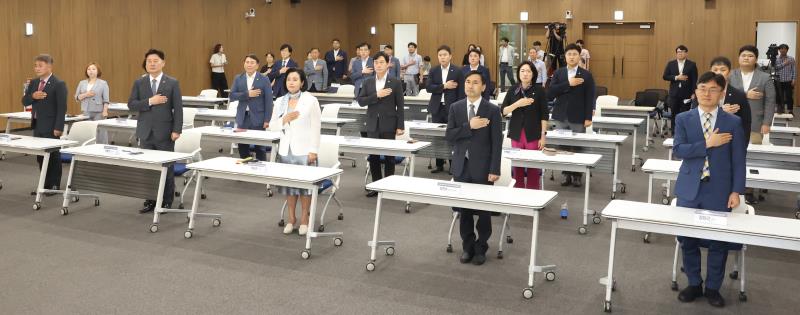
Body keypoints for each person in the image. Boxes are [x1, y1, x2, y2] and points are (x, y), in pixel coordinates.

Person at [673, 71, 746, 308]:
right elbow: (679, 150)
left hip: (719, 190)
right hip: (689, 189)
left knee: (718, 242)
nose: (706, 93)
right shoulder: (684, 118)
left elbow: (739, 161)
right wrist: (707, 144)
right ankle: (694, 283)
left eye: (713, 89)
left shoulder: (733, 122)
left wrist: (736, 191)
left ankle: (713, 288)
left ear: (722, 93)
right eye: (702, 88)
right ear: (695, 91)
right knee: (688, 240)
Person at [445, 70, 503, 266]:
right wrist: (469, 125)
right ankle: (467, 246)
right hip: (462, 166)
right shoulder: (455, 107)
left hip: (484, 167)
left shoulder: (492, 110)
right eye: (468, 82)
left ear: (484, 87)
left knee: (483, 211)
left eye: (475, 82)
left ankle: (481, 247)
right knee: (465, 210)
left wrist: (495, 169)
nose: (470, 85)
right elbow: (450, 136)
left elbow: (497, 143)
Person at [127, 49, 183, 213]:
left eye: (155, 60)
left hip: (165, 132)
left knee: (166, 167)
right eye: (149, 61)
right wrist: (151, 101)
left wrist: (176, 129)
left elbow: (178, 109)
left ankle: (166, 201)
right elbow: (132, 105)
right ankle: (150, 200)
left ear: (163, 63)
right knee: (148, 169)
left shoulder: (172, 82)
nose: (151, 63)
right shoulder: (139, 82)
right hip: (145, 132)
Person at [269, 69, 321, 236]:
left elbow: (316, 127)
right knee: (289, 187)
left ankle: (305, 219)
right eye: (289, 79)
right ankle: (291, 219)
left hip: (304, 150)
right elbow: (272, 126)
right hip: (286, 150)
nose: (291, 82)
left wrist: (314, 150)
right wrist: (284, 119)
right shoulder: (280, 101)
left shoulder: (311, 100)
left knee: (305, 188)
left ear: (302, 82)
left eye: (295, 79)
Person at [357, 52, 405, 197]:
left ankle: (388, 187)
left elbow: (400, 106)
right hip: (372, 123)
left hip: (389, 123)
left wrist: (400, 126)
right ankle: (376, 186)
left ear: (387, 63)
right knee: (374, 157)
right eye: (376, 62)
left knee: (390, 157)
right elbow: (361, 101)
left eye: (381, 62)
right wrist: (376, 95)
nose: (378, 65)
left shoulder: (395, 82)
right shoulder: (367, 82)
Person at [548, 43, 595, 187]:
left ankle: (577, 175)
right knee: (563, 146)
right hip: (561, 116)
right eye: (569, 54)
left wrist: (588, 117)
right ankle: (566, 174)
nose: (572, 57)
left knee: (578, 146)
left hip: (578, 116)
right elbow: (551, 92)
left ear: (579, 56)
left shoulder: (586, 74)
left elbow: (590, 97)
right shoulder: (558, 73)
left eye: (575, 54)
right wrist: (568, 83)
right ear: (565, 56)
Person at [21, 54, 66, 193]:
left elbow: (61, 107)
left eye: (40, 66)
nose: (37, 68)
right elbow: (25, 101)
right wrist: (32, 96)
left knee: (53, 156)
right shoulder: (34, 83)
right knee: (40, 156)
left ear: (49, 66)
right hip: (38, 125)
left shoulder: (58, 84)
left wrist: (59, 127)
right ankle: (44, 185)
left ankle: (54, 185)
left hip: (52, 126)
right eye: (35, 65)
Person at [502, 61, 548, 189]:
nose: (525, 74)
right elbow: (504, 111)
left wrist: (543, 136)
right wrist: (518, 104)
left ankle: (533, 196)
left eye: (528, 71)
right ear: (518, 73)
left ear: (533, 74)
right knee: (517, 167)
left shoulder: (539, 90)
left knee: (533, 166)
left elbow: (544, 115)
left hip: (533, 134)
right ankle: (518, 194)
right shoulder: (513, 89)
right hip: (517, 134)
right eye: (522, 71)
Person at [427, 45, 465, 174]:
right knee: (437, 138)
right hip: (437, 108)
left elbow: (461, 93)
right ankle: (439, 164)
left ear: (450, 56)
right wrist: (444, 86)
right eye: (440, 55)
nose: (442, 57)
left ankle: (452, 165)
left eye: (444, 55)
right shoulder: (433, 70)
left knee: (452, 137)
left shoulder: (458, 71)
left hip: (452, 109)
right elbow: (428, 87)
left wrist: (459, 109)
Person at [729, 45, 776, 145]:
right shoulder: (730, 75)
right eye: (743, 55)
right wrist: (745, 94)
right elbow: (725, 95)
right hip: (732, 122)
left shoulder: (765, 77)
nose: (746, 58)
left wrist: (767, 123)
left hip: (755, 124)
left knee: (753, 155)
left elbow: (770, 102)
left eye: (750, 56)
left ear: (756, 59)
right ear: (739, 58)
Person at [229, 54, 273, 161]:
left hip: (258, 117)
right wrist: (247, 94)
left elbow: (269, 101)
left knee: (260, 147)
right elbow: (232, 95)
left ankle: (262, 170)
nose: (249, 65)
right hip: (242, 117)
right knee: (242, 146)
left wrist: (267, 119)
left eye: (252, 63)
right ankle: (246, 169)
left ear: (257, 65)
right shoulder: (238, 78)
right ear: (244, 64)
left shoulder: (264, 79)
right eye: (247, 62)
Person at [706, 56, 752, 146]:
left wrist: (743, 146)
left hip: (730, 141)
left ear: (729, 72)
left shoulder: (739, 95)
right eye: (715, 70)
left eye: (723, 70)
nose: (718, 73)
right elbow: (696, 113)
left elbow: (746, 123)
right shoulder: (702, 92)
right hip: (706, 138)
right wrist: (721, 111)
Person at [663, 45, 698, 134]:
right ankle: (674, 132)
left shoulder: (692, 64)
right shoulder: (671, 64)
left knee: (685, 114)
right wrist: (676, 77)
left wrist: (694, 92)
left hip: (686, 94)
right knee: (674, 113)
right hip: (674, 94)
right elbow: (665, 76)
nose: (680, 54)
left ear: (686, 53)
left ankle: (683, 132)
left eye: (682, 52)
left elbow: (694, 80)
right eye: (678, 52)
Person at [75, 63, 110, 144]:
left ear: (98, 71)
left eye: (94, 69)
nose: (91, 71)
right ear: (86, 71)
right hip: (86, 110)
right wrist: (86, 94)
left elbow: (106, 100)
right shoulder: (82, 83)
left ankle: (102, 148)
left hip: (99, 111)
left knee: (100, 132)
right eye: (89, 69)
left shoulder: (103, 83)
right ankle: (88, 148)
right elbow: (77, 97)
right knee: (88, 131)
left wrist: (105, 111)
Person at [776, 44, 796, 115]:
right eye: (781, 48)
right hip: (779, 80)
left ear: (787, 50)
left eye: (784, 49)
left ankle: (790, 110)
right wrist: (784, 63)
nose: (783, 50)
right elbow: (775, 68)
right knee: (779, 96)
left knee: (789, 96)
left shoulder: (791, 58)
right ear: (779, 50)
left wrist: (793, 79)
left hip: (788, 80)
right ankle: (781, 109)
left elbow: (794, 70)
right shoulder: (776, 58)